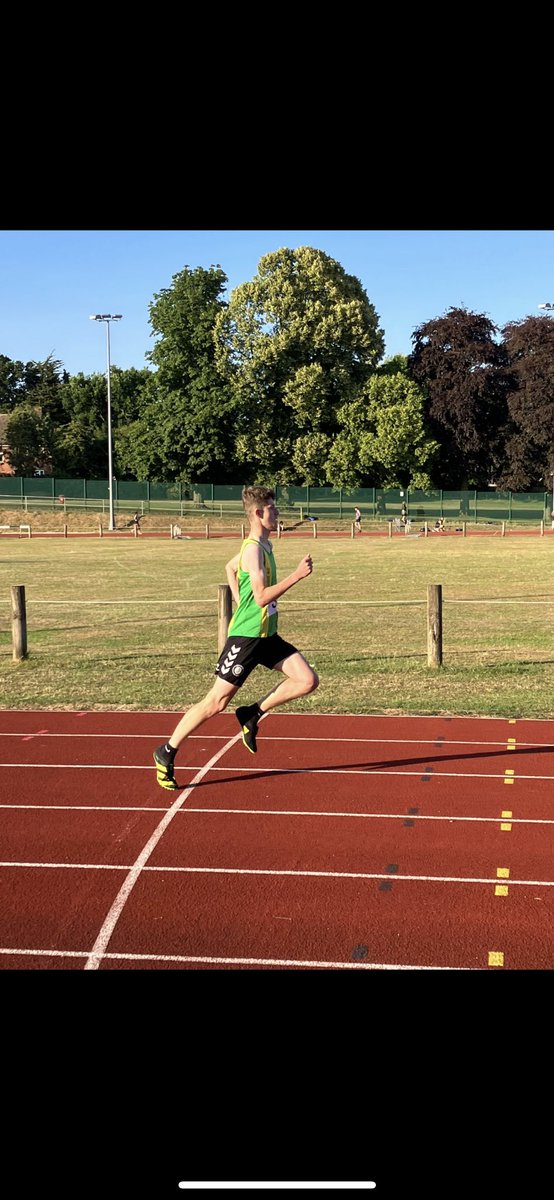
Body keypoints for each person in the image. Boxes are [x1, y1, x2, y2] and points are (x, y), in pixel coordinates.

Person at [153, 485, 319, 790]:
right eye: (272, 508)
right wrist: (296, 575)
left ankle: (251, 714)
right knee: (215, 702)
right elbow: (260, 597)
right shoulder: (254, 548)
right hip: (246, 638)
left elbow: (230, 567)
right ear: (258, 513)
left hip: (266, 635)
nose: (277, 512)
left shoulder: (263, 545)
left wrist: (237, 594)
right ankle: (167, 751)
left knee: (307, 680)